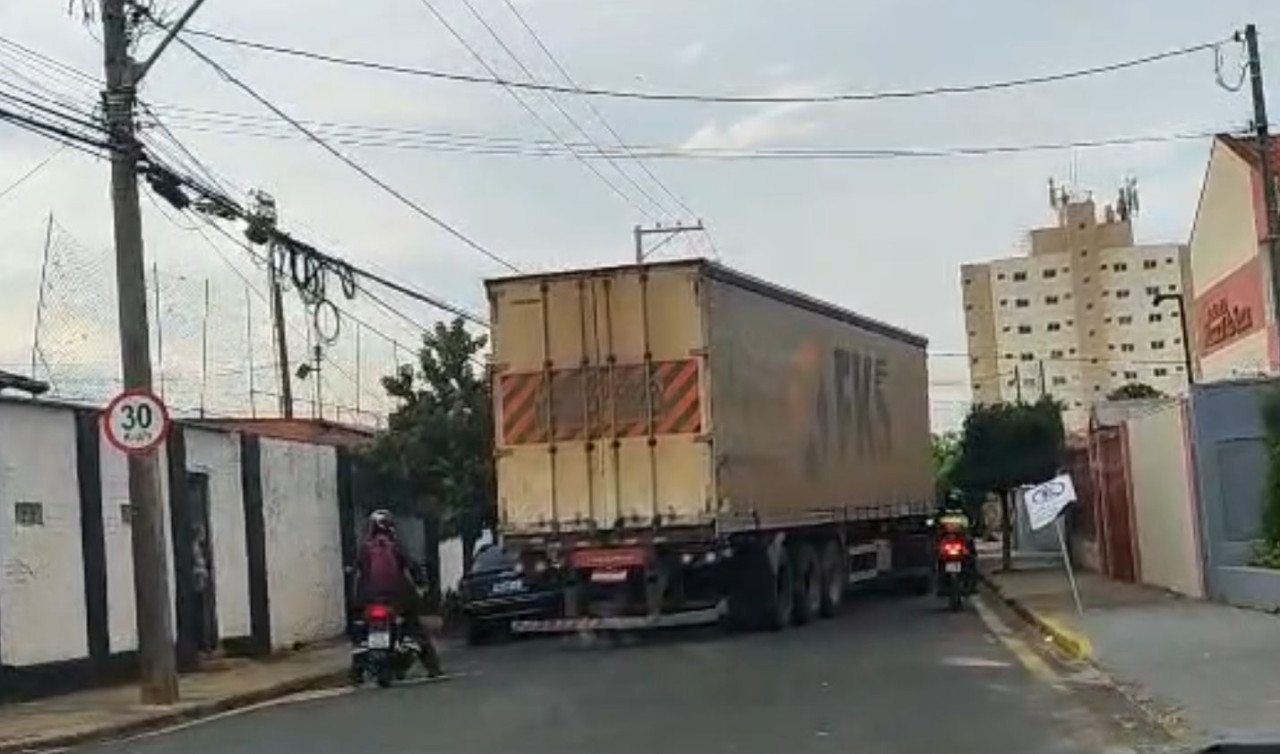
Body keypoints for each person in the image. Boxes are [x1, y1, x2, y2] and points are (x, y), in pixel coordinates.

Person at [351, 509, 443, 678]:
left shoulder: (364, 549)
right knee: (416, 629)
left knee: (360, 635)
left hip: (368, 600)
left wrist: (358, 600)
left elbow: (356, 572)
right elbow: (412, 566)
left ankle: (356, 672)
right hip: (398, 599)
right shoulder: (395, 546)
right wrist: (421, 585)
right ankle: (433, 668)